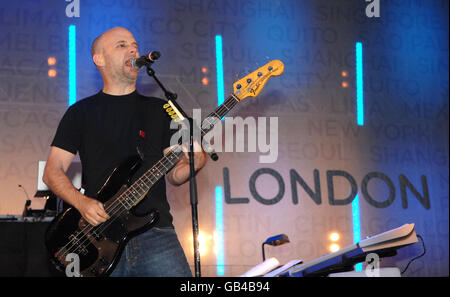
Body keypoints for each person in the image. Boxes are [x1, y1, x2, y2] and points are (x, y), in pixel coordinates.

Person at [43, 27, 207, 277]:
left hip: (157, 233)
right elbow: (52, 172)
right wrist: (82, 203)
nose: (133, 49)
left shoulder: (162, 109)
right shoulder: (80, 113)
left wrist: (194, 162)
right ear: (100, 59)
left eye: (135, 45)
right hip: (98, 239)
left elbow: (174, 176)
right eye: (122, 45)